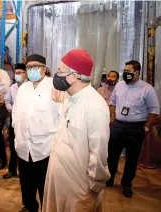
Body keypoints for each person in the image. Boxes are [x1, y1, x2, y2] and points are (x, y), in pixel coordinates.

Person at [42, 49, 111, 212]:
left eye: (60, 71)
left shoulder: (95, 106)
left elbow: (99, 151)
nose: (57, 75)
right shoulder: (69, 97)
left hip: (79, 185)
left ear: (74, 76)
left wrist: (93, 187)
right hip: (59, 177)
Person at [12, 55, 59, 212]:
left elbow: (61, 116)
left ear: (44, 69)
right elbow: (16, 112)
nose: (32, 70)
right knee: (26, 183)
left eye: (36, 66)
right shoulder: (23, 88)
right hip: (24, 146)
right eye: (29, 67)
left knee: (45, 186)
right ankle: (29, 207)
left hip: (45, 149)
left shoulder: (54, 87)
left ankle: (47, 209)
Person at [107, 60, 160, 198]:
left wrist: (146, 127)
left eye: (128, 71)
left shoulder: (147, 89)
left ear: (137, 73)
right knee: (112, 156)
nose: (125, 74)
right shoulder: (119, 85)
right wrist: (112, 118)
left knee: (131, 159)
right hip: (118, 126)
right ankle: (109, 180)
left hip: (136, 128)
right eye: (124, 71)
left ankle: (126, 185)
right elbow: (112, 103)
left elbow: (154, 111)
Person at [3, 63, 27, 179]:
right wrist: (9, 107)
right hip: (14, 120)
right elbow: (7, 100)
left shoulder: (29, 87)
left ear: (25, 74)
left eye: (19, 73)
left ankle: (24, 172)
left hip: (26, 121)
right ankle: (12, 170)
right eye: (16, 73)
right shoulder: (12, 88)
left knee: (24, 145)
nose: (17, 75)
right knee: (13, 146)